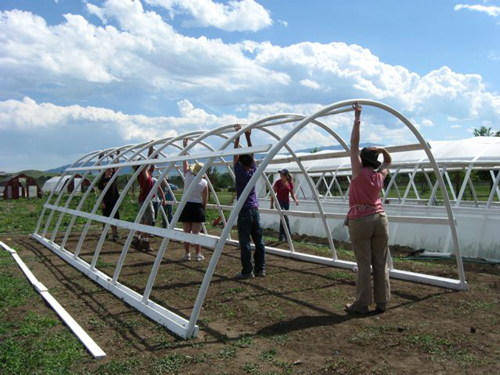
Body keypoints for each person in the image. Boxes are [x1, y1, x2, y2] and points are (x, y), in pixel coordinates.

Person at [345, 102, 392, 314]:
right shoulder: (379, 175)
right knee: (380, 262)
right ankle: (382, 302)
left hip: (361, 219)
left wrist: (357, 118)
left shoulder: (358, 172)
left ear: (362, 160)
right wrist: (382, 150)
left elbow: (353, 144)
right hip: (380, 219)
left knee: (364, 264)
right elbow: (389, 162)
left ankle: (361, 303)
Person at [233, 124, 266, 279]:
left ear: (240, 162)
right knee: (258, 241)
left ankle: (247, 271)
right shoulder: (253, 171)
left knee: (245, 242)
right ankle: (260, 269)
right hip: (255, 210)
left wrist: (237, 135)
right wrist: (248, 136)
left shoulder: (239, 172)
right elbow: (251, 156)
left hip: (244, 211)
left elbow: (235, 153)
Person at [178, 138, 208, 261]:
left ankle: (187, 254)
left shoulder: (188, 176)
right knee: (196, 233)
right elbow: (205, 198)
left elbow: (184, 162)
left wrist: (185, 146)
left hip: (186, 205)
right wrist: (203, 209)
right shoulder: (204, 182)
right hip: (197, 207)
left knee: (186, 232)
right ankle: (198, 254)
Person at [131, 146, 161, 252]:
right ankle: (145, 241)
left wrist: (154, 158)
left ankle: (138, 239)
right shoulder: (142, 172)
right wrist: (151, 149)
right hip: (145, 199)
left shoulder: (147, 173)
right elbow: (148, 161)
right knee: (149, 218)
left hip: (144, 199)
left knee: (144, 219)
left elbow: (151, 166)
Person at [270, 168, 299, 242]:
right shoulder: (278, 183)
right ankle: (288, 237)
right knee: (285, 218)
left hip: (286, 203)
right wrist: (271, 204)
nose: (280, 175)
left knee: (283, 219)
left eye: (282, 174)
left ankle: (281, 236)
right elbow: (273, 194)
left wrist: (295, 200)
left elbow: (292, 194)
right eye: (280, 174)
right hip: (279, 202)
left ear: (286, 175)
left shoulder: (290, 183)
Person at [98, 157, 120, 241]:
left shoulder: (113, 178)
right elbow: (100, 192)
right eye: (109, 170)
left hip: (114, 201)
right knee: (106, 216)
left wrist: (116, 157)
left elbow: (117, 168)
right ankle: (105, 232)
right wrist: (101, 202)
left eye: (111, 170)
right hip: (106, 201)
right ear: (105, 171)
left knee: (114, 217)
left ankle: (115, 233)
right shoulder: (102, 181)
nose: (111, 171)